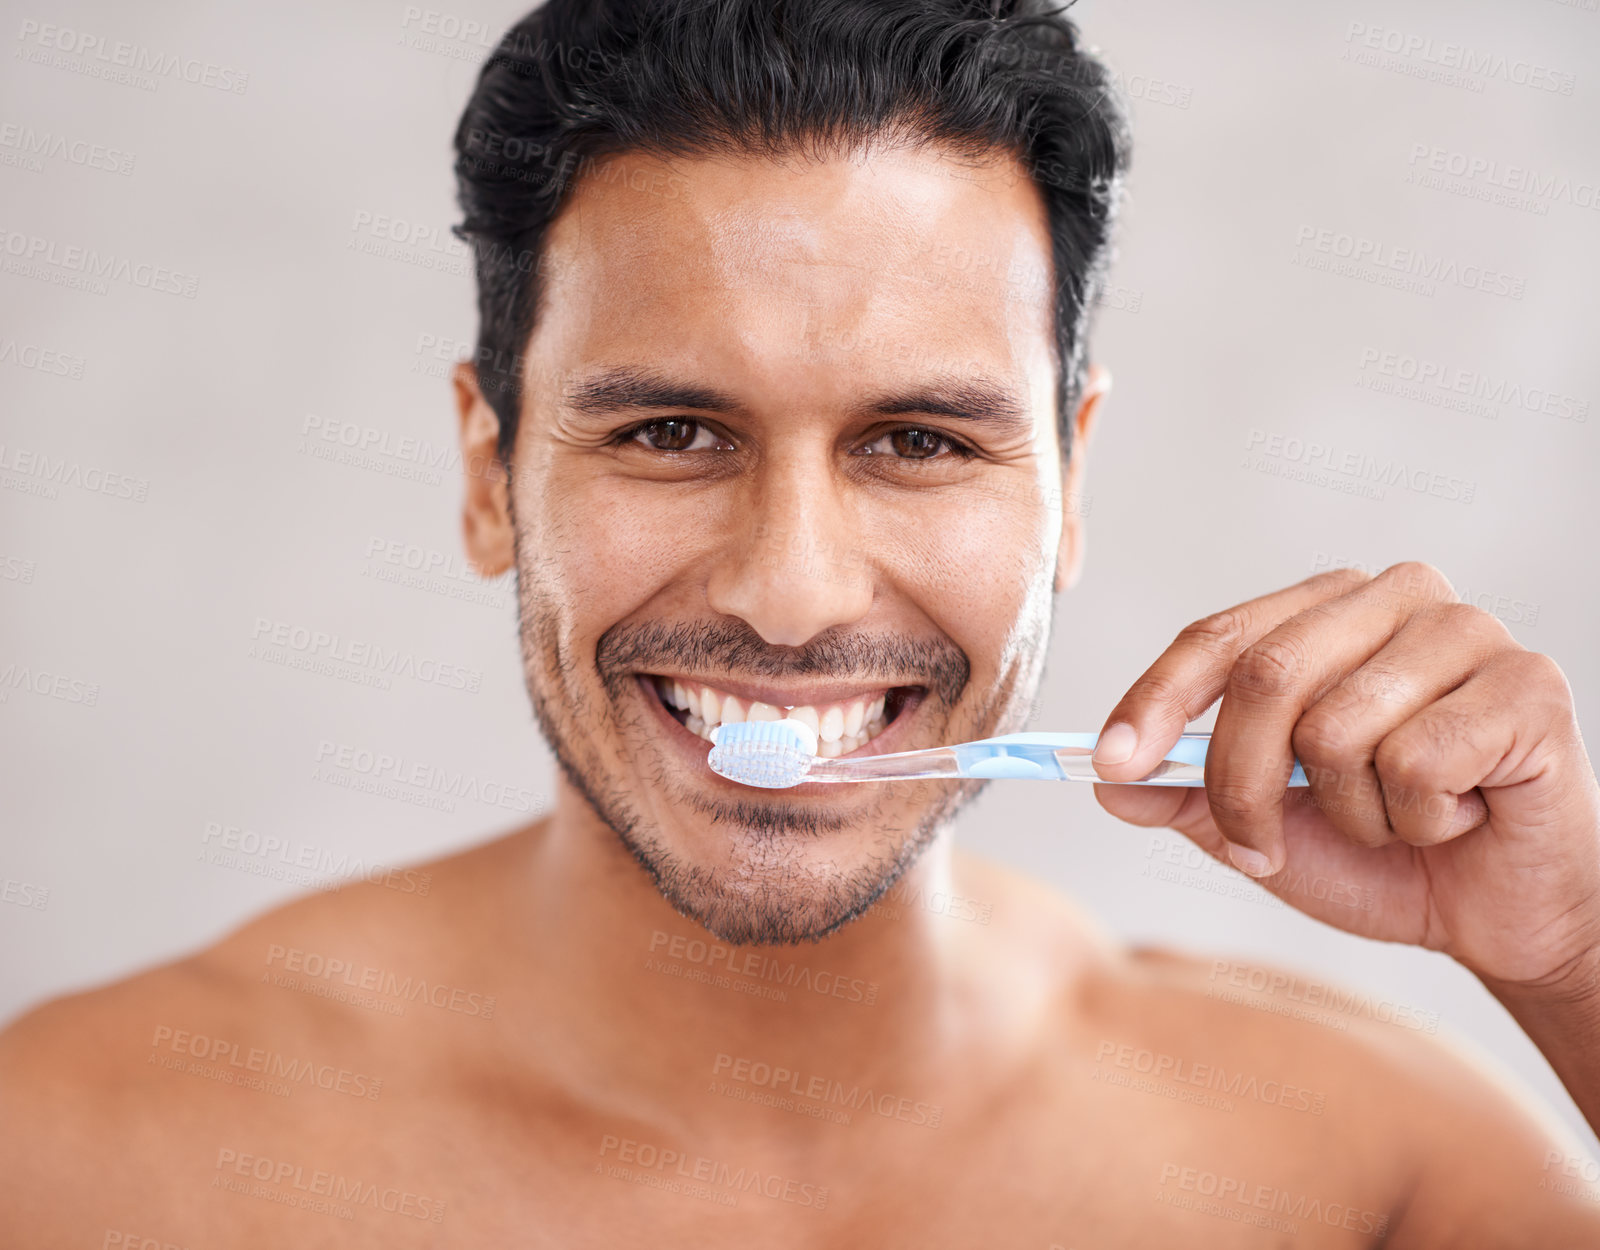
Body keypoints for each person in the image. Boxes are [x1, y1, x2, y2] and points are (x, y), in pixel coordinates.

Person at [5, 1, 1599, 1244]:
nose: (791, 590)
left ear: (1069, 488)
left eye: (918, 441)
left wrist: (1577, 957)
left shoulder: (1366, 1178)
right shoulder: (74, 1160)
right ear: (491, 473)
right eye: (672, 434)